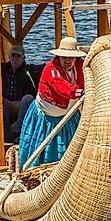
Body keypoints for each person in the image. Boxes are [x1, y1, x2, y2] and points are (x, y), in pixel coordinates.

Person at [18, 37, 85, 169]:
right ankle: (35, 171)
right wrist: (79, 92)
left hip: (68, 117)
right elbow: (60, 86)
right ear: (59, 56)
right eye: (64, 57)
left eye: (71, 58)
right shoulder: (51, 69)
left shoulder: (80, 67)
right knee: (41, 150)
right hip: (45, 119)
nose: (67, 60)